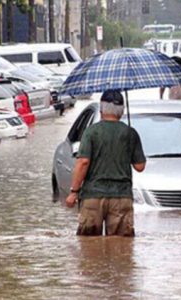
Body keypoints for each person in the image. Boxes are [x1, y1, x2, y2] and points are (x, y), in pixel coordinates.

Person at [66, 90, 146, 237]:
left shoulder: (91, 132)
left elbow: (83, 162)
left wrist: (74, 192)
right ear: (122, 110)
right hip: (121, 197)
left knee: (89, 249)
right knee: (121, 249)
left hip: (92, 197)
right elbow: (140, 166)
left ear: (102, 109)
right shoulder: (130, 133)